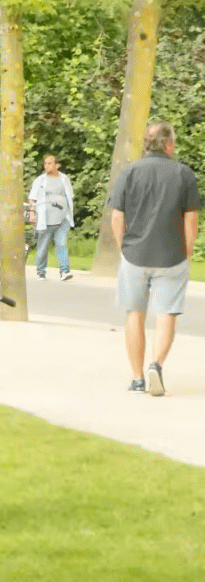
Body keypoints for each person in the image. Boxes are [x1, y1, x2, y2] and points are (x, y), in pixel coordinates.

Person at [109, 119, 200, 395]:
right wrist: (187, 249)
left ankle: (137, 379)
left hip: (134, 254)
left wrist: (123, 247)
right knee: (166, 314)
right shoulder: (184, 174)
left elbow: (117, 216)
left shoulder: (130, 172)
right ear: (169, 144)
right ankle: (156, 365)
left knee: (134, 314)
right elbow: (191, 218)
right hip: (171, 255)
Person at [27, 153, 76, 280]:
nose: (47, 165)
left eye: (50, 163)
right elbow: (32, 198)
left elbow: (69, 196)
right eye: (45, 163)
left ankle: (64, 271)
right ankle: (41, 272)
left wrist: (68, 211)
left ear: (57, 165)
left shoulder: (64, 179)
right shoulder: (40, 180)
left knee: (61, 244)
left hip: (62, 218)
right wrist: (32, 213)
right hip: (45, 219)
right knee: (42, 246)